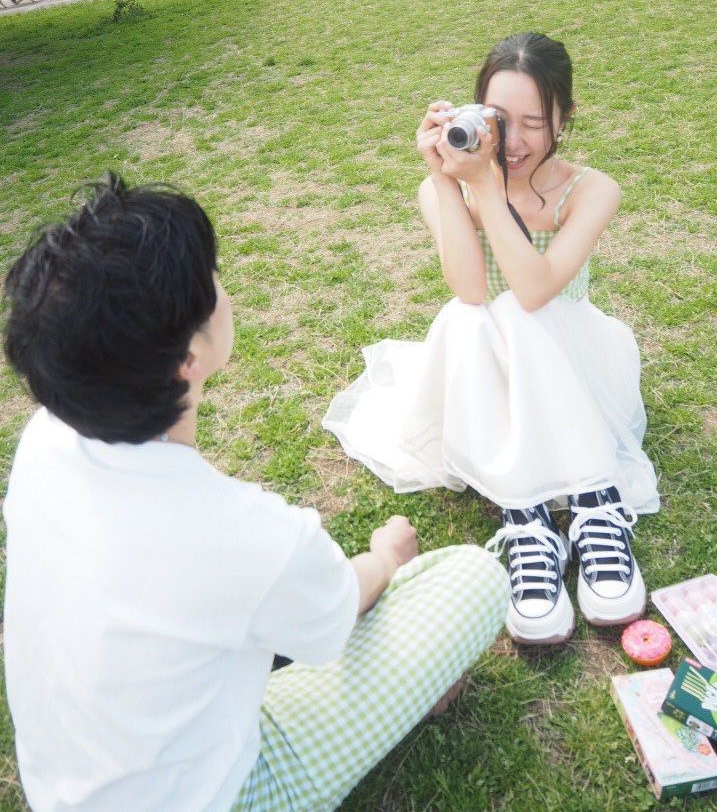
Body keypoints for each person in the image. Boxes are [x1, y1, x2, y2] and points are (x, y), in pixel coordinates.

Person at [2, 174, 509, 812]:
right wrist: (386, 557)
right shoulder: (242, 532)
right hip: (216, 796)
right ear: (188, 357)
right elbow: (337, 611)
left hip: (68, 787)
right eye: (211, 278)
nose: (224, 289)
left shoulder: (44, 442)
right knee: (474, 577)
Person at [323, 32, 661, 647]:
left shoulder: (592, 189)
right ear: (474, 114)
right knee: (472, 316)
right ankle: (526, 516)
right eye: (500, 121)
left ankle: (595, 502)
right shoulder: (448, 187)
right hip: (487, 372)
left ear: (565, 117)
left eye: (535, 123)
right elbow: (471, 288)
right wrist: (447, 182)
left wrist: (483, 187)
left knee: (521, 312)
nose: (513, 142)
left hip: (574, 366)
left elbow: (535, 290)